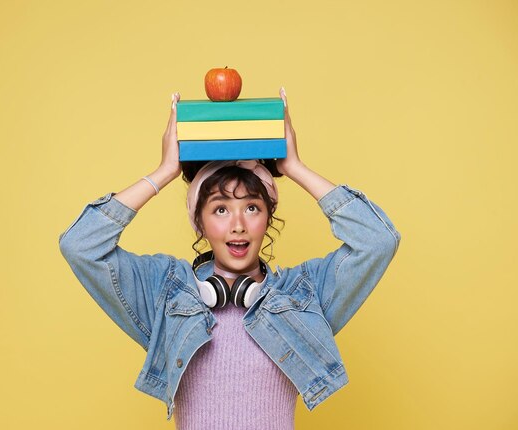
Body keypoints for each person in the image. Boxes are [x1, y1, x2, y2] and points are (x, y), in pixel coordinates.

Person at [58, 88, 401, 429]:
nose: (238, 226)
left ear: (267, 218)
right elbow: (80, 245)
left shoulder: (304, 296)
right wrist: (163, 172)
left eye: (252, 207)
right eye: (220, 209)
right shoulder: (166, 294)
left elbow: (378, 240)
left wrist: (295, 167)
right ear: (200, 222)